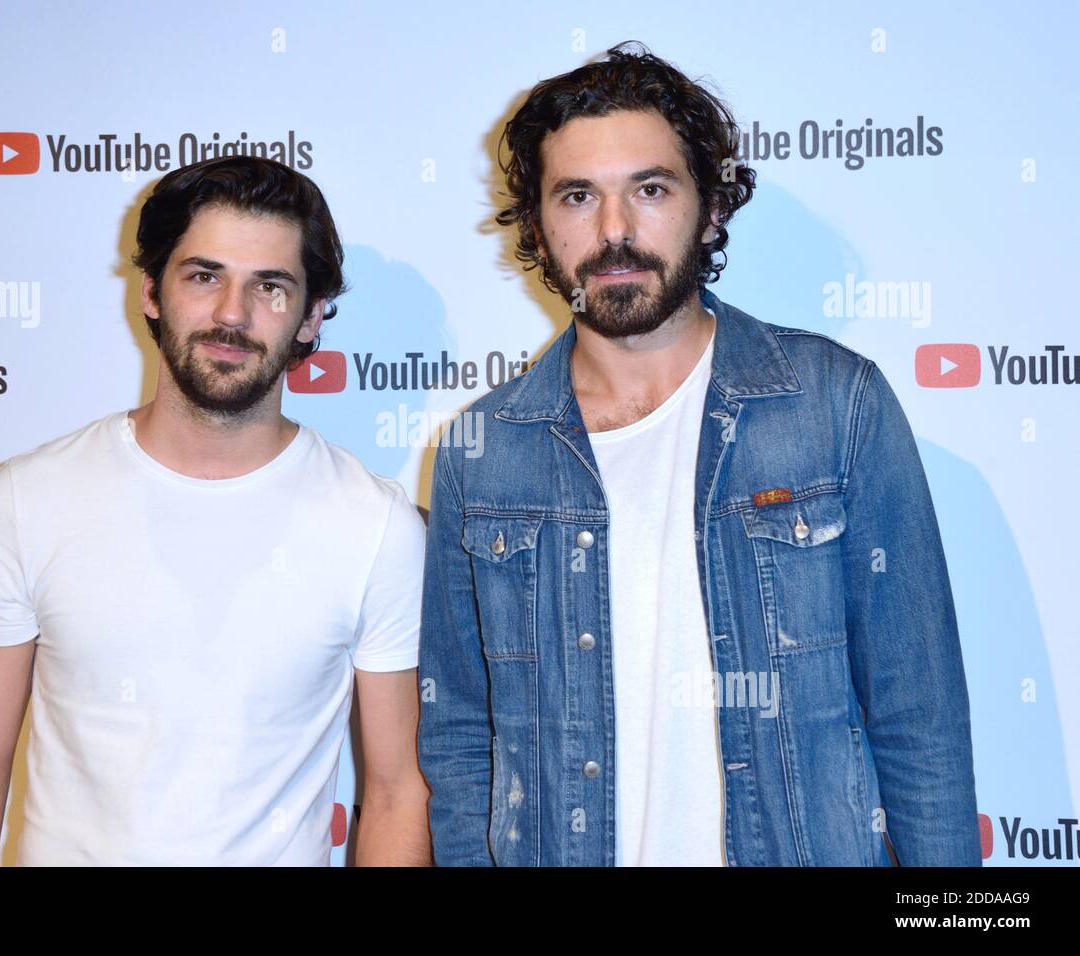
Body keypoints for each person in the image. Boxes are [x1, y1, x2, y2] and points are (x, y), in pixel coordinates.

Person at [416, 42, 980, 866]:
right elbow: (462, 737)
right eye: (578, 196)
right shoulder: (483, 451)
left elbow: (918, 717)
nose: (615, 231)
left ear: (710, 206)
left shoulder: (835, 403)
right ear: (537, 224)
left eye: (649, 189)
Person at [0, 156, 430, 866]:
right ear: (153, 291)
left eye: (270, 287)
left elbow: (399, 794)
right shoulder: (28, 500)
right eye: (203, 275)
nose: (232, 314)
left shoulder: (376, 529)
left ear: (310, 317)